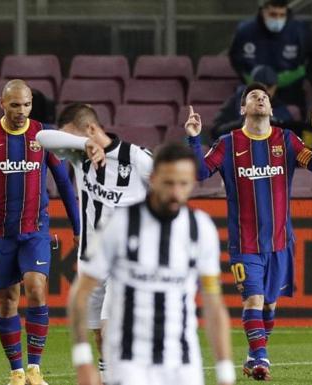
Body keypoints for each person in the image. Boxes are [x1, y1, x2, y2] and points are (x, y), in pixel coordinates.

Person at [185, 83, 312, 380]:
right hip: (244, 243)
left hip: (280, 242)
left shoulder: (287, 140)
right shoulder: (228, 143)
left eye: (264, 97)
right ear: (242, 109)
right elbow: (200, 172)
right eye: (253, 97)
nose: (260, 99)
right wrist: (194, 140)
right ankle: (262, 358)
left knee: (269, 306)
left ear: (271, 109)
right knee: (254, 300)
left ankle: (252, 356)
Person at [68, 142, 235, 385]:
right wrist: (83, 360)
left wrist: (225, 371)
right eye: (169, 183)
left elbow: (213, 303)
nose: (176, 192)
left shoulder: (202, 229)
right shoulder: (118, 225)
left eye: (184, 184)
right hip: (128, 362)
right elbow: (79, 295)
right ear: (153, 178)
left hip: (183, 363)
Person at [0, 79, 80, 385]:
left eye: (26, 104)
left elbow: (64, 183)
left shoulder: (43, 136)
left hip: (36, 229)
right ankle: (16, 371)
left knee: (36, 287)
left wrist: (78, 228)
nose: (21, 111)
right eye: (14, 105)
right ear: (2, 103)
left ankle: (35, 369)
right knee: (7, 299)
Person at [36, 103, 153, 382]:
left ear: (91, 127)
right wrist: (83, 142)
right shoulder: (79, 156)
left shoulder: (136, 158)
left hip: (126, 259)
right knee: (100, 334)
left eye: (75, 135)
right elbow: (42, 138)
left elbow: (169, 188)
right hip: (90, 261)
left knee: (109, 326)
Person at [228, 0, 312, 118]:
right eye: (273, 14)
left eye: (282, 15)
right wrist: (245, 77)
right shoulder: (245, 31)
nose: (278, 19)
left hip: (290, 90)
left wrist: (309, 77)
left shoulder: (299, 30)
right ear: (263, 12)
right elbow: (235, 56)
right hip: (254, 89)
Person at [211, 64, 293, 142]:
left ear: (275, 87)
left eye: (270, 87)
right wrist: (241, 124)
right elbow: (216, 131)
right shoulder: (236, 102)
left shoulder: (279, 106)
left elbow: (291, 136)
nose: (266, 92)